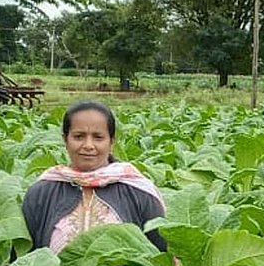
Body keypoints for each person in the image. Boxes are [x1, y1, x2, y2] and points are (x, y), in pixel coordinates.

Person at [23, 100, 167, 254]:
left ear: (111, 142)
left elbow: (159, 255)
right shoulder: (41, 192)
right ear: (65, 140)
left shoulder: (140, 192)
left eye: (98, 137)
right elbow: (25, 259)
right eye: (79, 137)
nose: (88, 145)